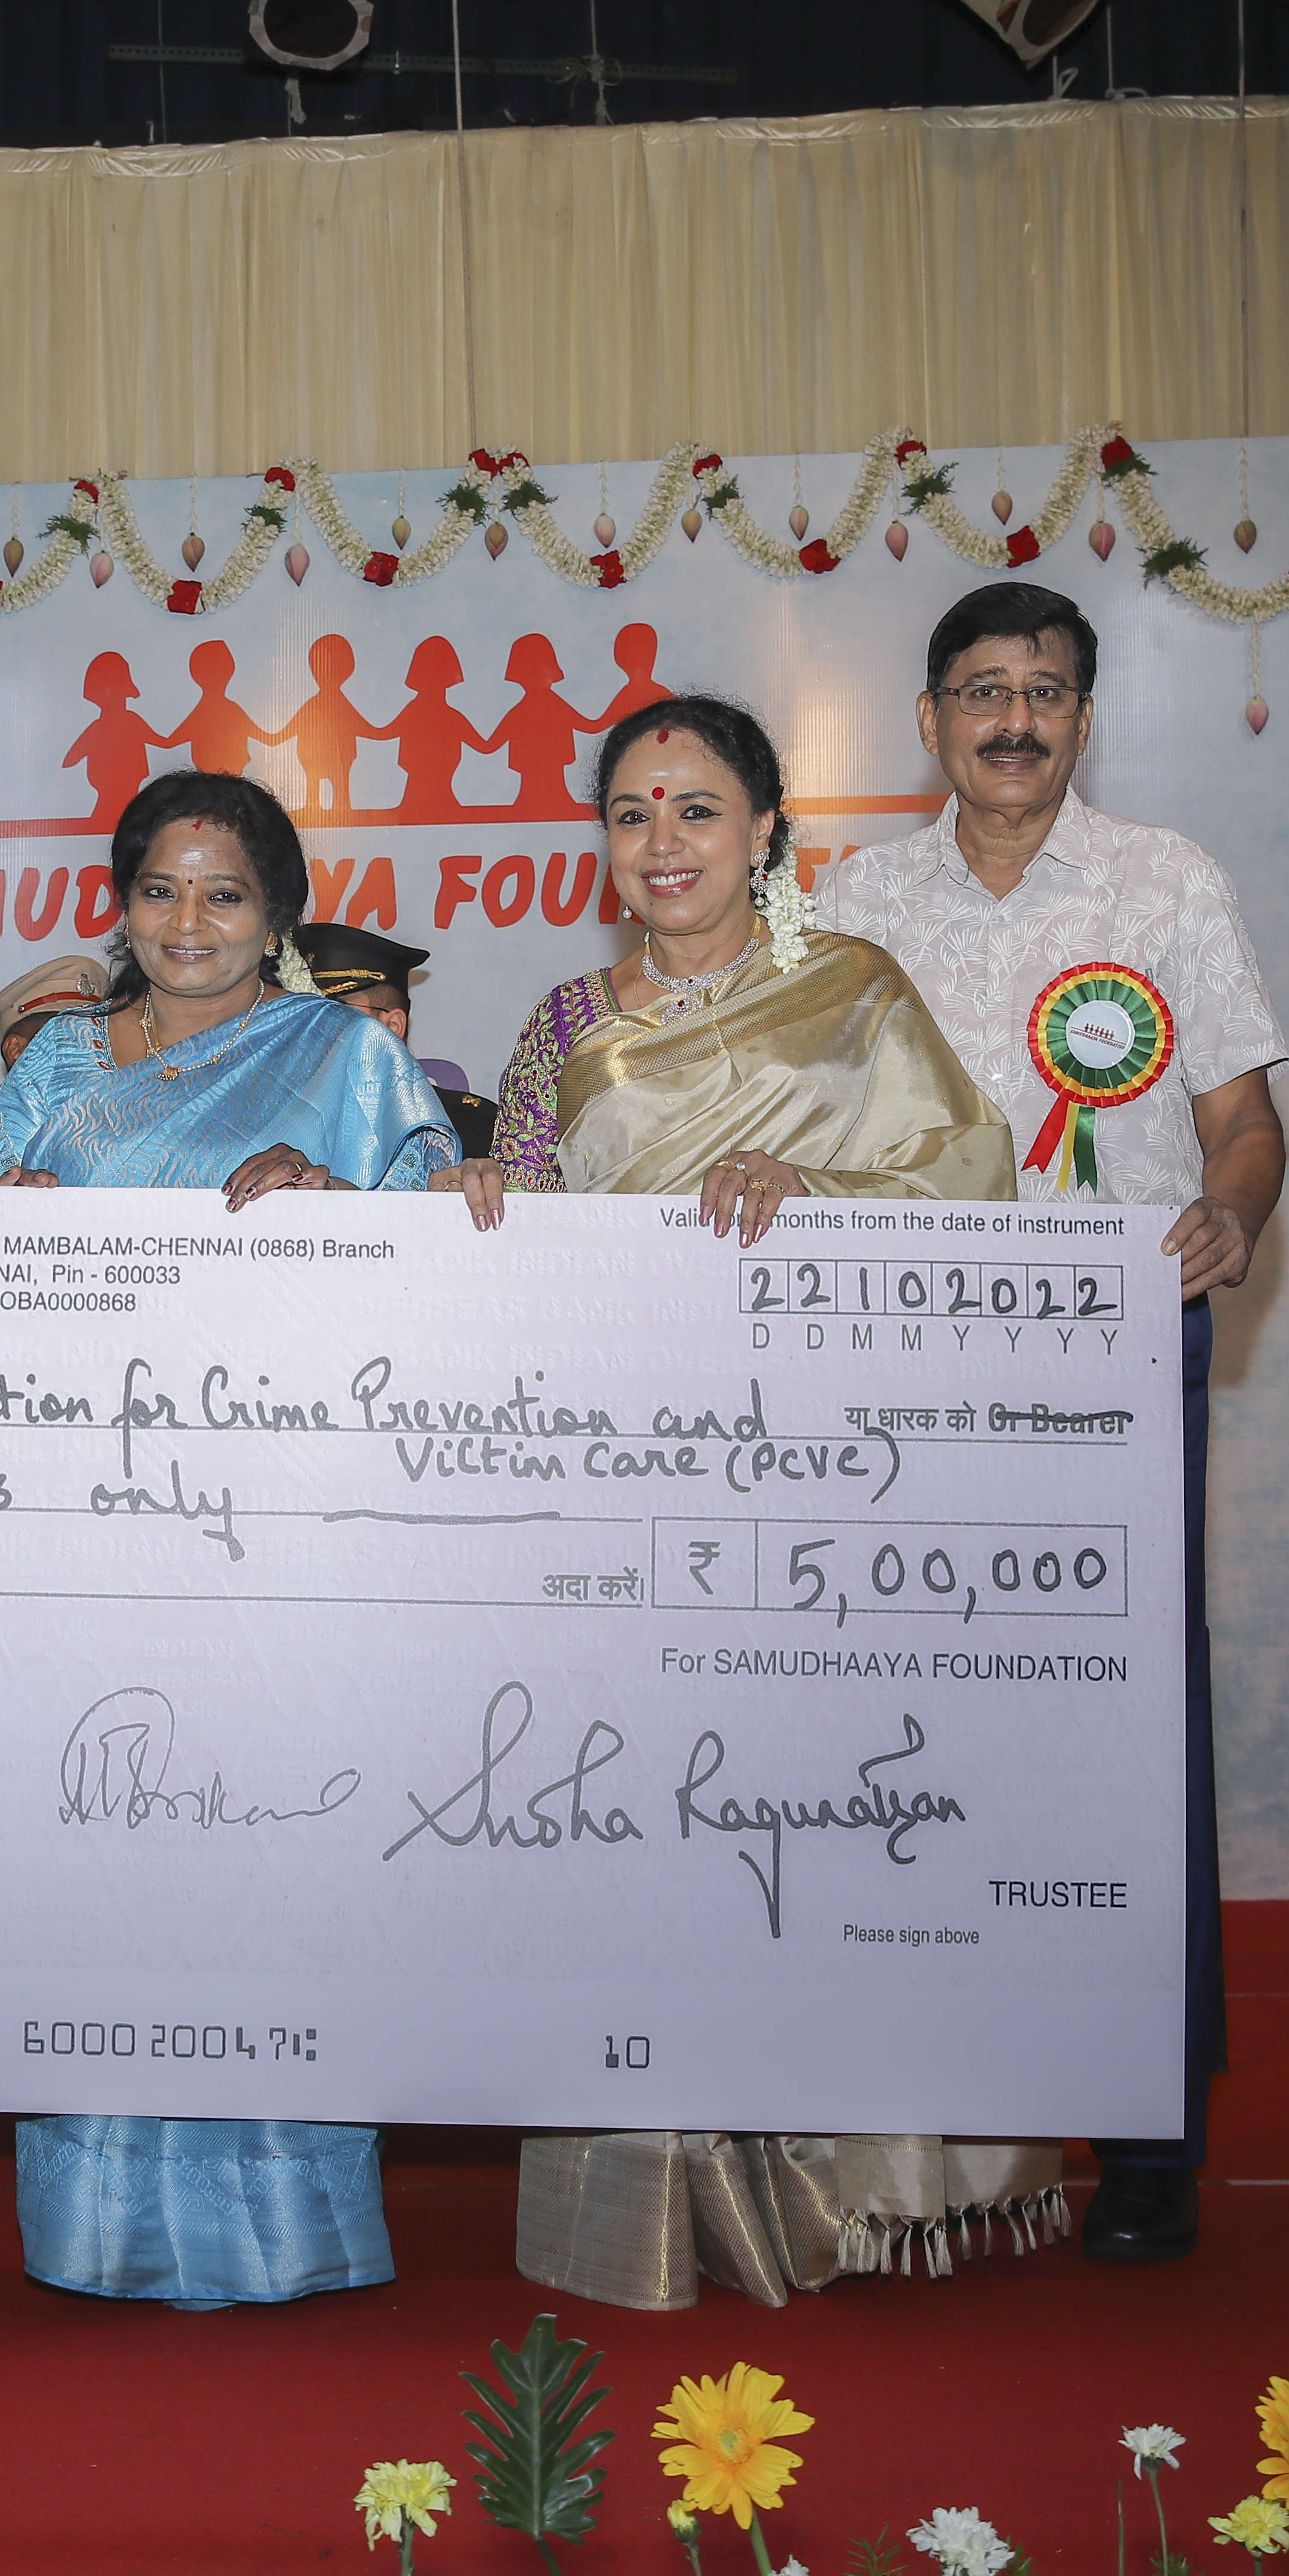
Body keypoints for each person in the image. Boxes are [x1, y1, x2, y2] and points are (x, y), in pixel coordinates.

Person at [437, 692, 1054, 2311]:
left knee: (825, 1826)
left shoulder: (855, 991)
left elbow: (974, 1182)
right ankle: (664, 2200)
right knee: (647, 1834)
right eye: (632, 812)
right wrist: (485, 1196)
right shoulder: (566, 1023)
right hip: (627, 1500)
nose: (663, 843)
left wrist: (815, 1189)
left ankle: (876, 2191)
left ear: (768, 830)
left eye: (698, 809)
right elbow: (530, 1226)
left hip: (832, 1493)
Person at [810, 581, 1289, 2268]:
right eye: (983, 691)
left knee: (1131, 1738)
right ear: (930, 719)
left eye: (1046, 692)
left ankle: (1150, 2132)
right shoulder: (853, 902)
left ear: (1085, 717)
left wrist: (1235, 1212)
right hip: (901, 1368)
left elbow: (1244, 1122)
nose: (1014, 721)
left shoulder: (1169, 882)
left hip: (1114, 1356)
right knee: (908, 1732)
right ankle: (925, 2120)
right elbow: (792, 1110)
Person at [0, 770, 453, 2306]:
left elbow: (445, 1269)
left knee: (270, 1853)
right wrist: (0, 1229)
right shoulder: (54, 1064)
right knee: (100, 1849)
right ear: (119, 905)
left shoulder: (346, 1061)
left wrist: (337, 1203)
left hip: (282, 1533)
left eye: (225, 893)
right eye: (160, 890)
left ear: (280, 915)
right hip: (85, 1534)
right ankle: (97, 2221)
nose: (189, 921)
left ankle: (283, 2220)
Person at [292, 920, 495, 1158]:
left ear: (392, 1026)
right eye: (304, 1014)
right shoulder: (282, 1129)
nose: (314, 1028)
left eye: (335, 1014)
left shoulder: (470, 1130)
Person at [0, 955, 114, 1183]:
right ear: (16, 1050)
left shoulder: (134, 1151)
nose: (85, 1052)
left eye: (95, 1039)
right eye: (63, 1040)